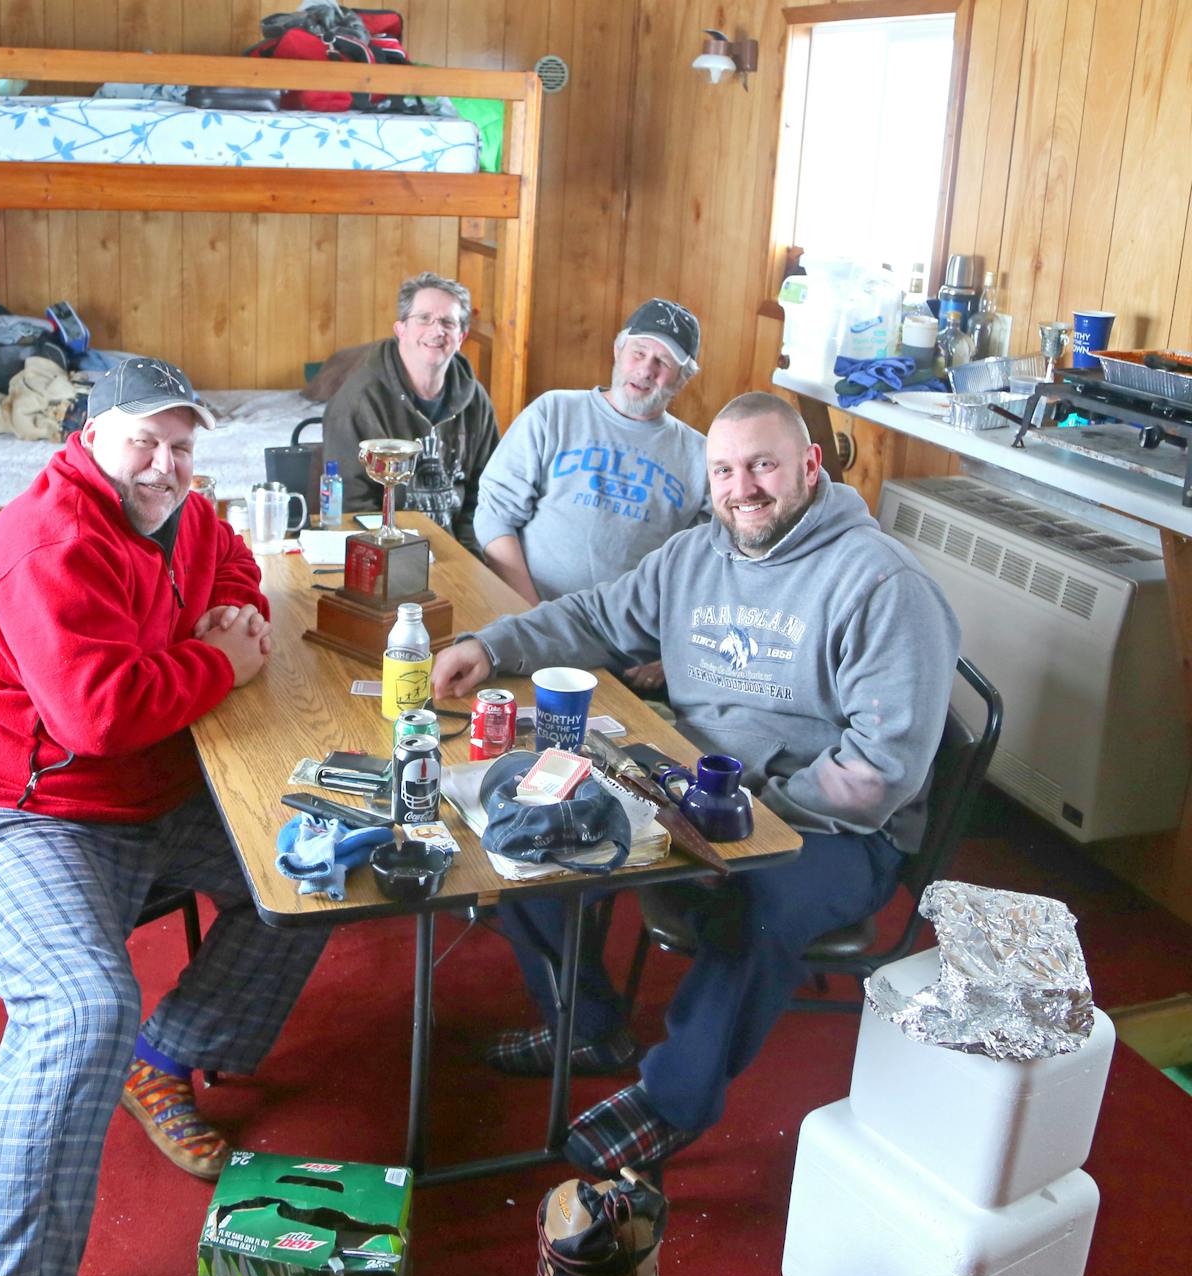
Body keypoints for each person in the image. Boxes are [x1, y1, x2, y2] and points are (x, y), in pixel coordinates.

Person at [432, 391, 960, 1178]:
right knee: (526, 820)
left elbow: (877, 774)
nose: (742, 487)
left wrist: (758, 811)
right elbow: (598, 618)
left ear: (810, 467)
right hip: (692, 784)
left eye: (763, 465)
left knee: (759, 903)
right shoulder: (696, 555)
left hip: (832, 826)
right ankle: (589, 1023)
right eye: (724, 470)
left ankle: (675, 1099)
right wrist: (492, 642)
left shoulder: (882, 585)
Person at [0, 357, 329, 1276]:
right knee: (81, 1006)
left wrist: (233, 617)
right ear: (88, 438)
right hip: (3, 807)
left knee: (312, 866)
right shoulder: (52, 538)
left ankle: (166, 1055)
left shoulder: (185, 513)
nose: (165, 466)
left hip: (130, 792)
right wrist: (224, 666)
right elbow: (97, 715)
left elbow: (240, 569)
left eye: (180, 446)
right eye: (144, 441)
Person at [473, 297, 713, 693]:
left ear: (682, 378)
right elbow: (495, 518)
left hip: (629, 656)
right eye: (639, 351)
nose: (646, 370)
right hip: (522, 623)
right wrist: (533, 623)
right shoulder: (553, 412)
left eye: (663, 362)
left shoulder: (700, 455)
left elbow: (710, 566)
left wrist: (674, 650)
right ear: (618, 350)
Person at [323, 271, 498, 553]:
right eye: (424, 318)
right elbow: (352, 507)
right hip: (385, 551)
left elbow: (486, 490)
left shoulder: (476, 399)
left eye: (448, 322)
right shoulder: (357, 401)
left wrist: (471, 556)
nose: (436, 330)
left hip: (460, 552)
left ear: (461, 336)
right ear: (400, 328)